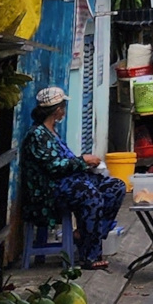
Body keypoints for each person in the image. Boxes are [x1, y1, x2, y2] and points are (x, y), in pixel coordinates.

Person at [20, 87, 125, 270]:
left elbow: (65, 163)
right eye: (63, 106)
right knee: (90, 195)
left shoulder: (52, 132)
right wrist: (82, 160)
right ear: (57, 110)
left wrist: (86, 164)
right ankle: (89, 256)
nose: (64, 110)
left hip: (63, 184)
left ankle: (87, 236)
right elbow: (54, 167)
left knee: (115, 187)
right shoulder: (37, 135)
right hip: (47, 192)